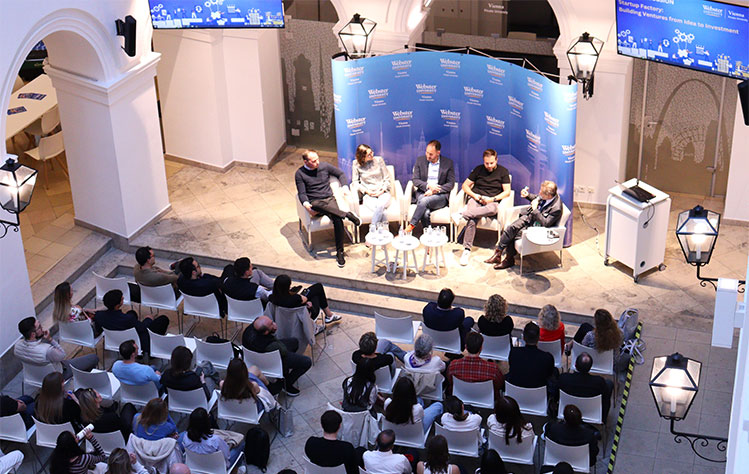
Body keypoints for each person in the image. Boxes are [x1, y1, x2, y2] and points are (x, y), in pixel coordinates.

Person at [295, 149, 361, 267]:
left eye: (318, 159)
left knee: (337, 220)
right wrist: (306, 205)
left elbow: (340, 174)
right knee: (315, 205)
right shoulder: (300, 174)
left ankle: (340, 252)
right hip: (316, 203)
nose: (317, 162)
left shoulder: (324, 166)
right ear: (306, 162)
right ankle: (347, 214)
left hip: (329, 199)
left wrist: (345, 187)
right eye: (314, 161)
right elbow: (302, 193)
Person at [486, 180, 563, 270]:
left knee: (514, 233)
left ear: (549, 195)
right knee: (511, 227)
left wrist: (535, 209)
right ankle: (498, 253)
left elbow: (545, 223)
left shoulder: (556, 208)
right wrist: (527, 195)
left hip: (537, 227)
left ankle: (509, 260)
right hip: (529, 218)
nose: (539, 193)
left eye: (541, 192)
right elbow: (537, 197)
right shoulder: (547, 197)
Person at [457, 149, 512, 266]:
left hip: (492, 200)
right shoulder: (478, 169)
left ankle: (462, 214)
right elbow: (465, 186)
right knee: (472, 219)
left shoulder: (503, 171)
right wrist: (475, 196)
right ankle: (466, 250)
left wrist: (493, 199)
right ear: (483, 161)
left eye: (492, 163)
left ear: (496, 160)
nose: (489, 166)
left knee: (492, 209)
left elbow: (507, 192)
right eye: (487, 163)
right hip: (477, 198)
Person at [242, 315, 311, 397]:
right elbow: (283, 351)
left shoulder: (249, 330)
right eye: (271, 324)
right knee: (306, 362)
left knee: (294, 342)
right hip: (270, 361)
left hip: (254, 359)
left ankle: (284, 371)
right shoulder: (271, 345)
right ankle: (286, 384)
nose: (275, 324)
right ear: (266, 332)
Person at [14, 316, 98, 379]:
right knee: (94, 358)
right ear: (33, 334)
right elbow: (62, 355)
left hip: (35, 377)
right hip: (57, 376)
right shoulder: (47, 351)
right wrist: (50, 339)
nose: (42, 328)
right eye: (39, 327)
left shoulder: (17, 346)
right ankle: (84, 380)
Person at [94, 289, 170, 354]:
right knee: (163, 319)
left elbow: (98, 329)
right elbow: (143, 328)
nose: (123, 298)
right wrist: (148, 319)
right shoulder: (127, 319)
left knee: (132, 312)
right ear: (117, 305)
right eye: (121, 299)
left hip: (114, 340)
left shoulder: (98, 316)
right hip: (137, 342)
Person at [407, 139, 455, 231]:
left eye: (431, 154)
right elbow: (415, 180)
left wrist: (434, 190)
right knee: (425, 212)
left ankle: (411, 226)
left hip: (440, 196)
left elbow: (450, 184)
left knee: (424, 201)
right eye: (427, 152)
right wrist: (428, 186)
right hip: (423, 192)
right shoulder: (420, 160)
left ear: (438, 153)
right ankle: (428, 233)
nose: (428, 156)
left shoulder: (448, 163)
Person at [179, 408, 245, 472]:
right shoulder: (215, 440)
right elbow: (227, 456)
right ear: (207, 422)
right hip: (218, 468)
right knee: (241, 444)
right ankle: (235, 471)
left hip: (195, 465)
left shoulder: (185, 437)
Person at [268, 274, 341, 330]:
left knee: (315, 290)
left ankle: (329, 316)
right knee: (317, 291)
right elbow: (304, 299)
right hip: (304, 317)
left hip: (286, 320)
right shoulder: (295, 298)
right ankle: (328, 315)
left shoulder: (272, 298)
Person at [558, 352, 614, 419]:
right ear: (590, 367)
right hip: (591, 411)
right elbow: (605, 399)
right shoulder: (599, 382)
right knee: (609, 384)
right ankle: (603, 417)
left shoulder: (564, 378)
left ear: (575, 365)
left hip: (569, 408)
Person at [506, 322, 556, 389]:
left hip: (515, 392)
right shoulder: (547, 358)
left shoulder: (514, 352)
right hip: (538, 395)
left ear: (523, 337)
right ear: (539, 338)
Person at [352, 144, 391, 228]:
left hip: (383, 192)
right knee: (382, 211)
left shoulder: (379, 160)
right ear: (362, 157)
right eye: (369, 154)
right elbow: (355, 182)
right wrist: (367, 191)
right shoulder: (356, 164)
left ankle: (372, 229)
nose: (372, 155)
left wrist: (382, 190)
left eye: (372, 152)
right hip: (368, 195)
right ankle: (385, 230)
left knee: (380, 206)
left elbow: (387, 179)